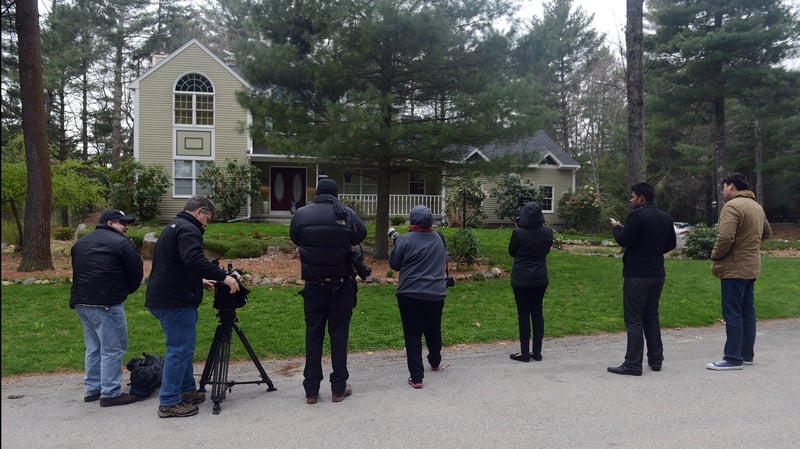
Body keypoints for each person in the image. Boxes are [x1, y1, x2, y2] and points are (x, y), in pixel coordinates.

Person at [145, 195, 241, 418]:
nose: (207, 223)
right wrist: (224, 278)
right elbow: (194, 260)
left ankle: (187, 390)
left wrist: (198, 281)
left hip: (167, 295)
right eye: (208, 218)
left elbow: (174, 263)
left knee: (183, 347)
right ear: (200, 212)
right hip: (174, 300)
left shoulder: (174, 226)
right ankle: (169, 401)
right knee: (179, 350)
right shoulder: (189, 229)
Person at [289, 178, 367, 404]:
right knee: (339, 336)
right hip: (341, 285)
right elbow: (359, 236)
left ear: (317, 193)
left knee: (313, 336)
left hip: (313, 285)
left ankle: (311, 390)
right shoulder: (345, 214)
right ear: (336, 193)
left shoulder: (302, 215)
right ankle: (338, 388)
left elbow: (296, 238)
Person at [70, 209, 143, 407]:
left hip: (81, 301)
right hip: (107, 303)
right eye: (122, 223)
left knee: (94, 347)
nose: (126, 227)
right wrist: (124, 291)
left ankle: (92, 389)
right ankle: (110, 393)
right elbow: (136, 272)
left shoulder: (81, 242)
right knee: (113, 349)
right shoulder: (121, 243)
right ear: (110, 223)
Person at [608, 182, 676, 376]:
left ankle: (633, 363)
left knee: (634, 318)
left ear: (641, 198)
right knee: (651, 315)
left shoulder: (637, 216)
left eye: (632, 197)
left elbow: (624, 239)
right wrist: (654, 251)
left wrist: (616, 228)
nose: (631, 200)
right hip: (657, 271)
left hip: (637, 273)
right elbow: (670, 243)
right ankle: (656, 359)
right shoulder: (665, 216)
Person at [707, 173, 772, 371]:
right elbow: (767, 233)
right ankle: (746, 354)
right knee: (747, 311)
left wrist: (715, 255)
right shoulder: (756, 206)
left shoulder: (733, 206)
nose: (723, 191)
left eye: (724, 187)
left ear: (732, 187)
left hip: (734, 267)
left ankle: (733, 358)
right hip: (752, 266)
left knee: (733, 312)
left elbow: (725, 237)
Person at [388, 205, 448, 389]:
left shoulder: (405, 240)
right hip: (436, 293)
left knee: (412, 333)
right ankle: (435, 361)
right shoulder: (439, 238)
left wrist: (396, 245)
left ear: (413, 220)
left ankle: (416, 377)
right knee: (433, 328)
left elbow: (394, 265)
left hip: (410, 294)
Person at [507, 202, 554, 363]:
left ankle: (525, 352)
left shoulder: (518, 233)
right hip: (540, 277)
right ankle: (537, 352)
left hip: (521, 278)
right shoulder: (548, 233)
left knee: (523, 314)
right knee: (537, 313)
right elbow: (546, 250)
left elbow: (512, 252)